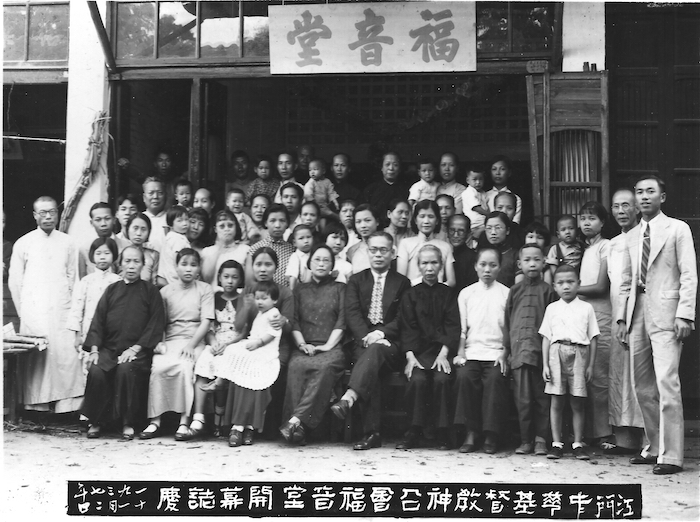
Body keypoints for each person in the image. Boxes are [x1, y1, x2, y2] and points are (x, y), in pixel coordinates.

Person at [616, 175, 697, 475]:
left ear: (662, 197)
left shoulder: (677, 229)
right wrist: (622, 319)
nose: (644, 197)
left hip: (666, 311)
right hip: (637, 312)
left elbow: (689, 274)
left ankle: (672, 456)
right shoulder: (632, 235)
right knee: (642, 385)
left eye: (651, 191)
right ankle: (653, 447)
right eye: (639, 192)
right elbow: (626, 281)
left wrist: (685, 314)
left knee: (666, 381)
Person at [331, 232, 411, 450]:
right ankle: (371, 433)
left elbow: (402, 317)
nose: (378, 254)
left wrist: (381, 334)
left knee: (373, 356)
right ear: (367, 252)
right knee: (370, 362)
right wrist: (367, 337)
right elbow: (352, 313)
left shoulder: (402, 283)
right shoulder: (357, 280)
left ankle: (350, 398)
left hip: (390, 344)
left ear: (393, 253)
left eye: (383, 250)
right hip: (361, 342)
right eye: (373, 250)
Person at [80, 245, 165, 439]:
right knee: (97, 369)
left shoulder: (151, 291)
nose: (132, 266)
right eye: (127, 261)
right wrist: (94, 349)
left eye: (136, 261)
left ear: (143, 265)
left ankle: (127, 422)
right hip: (109, 349)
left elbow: (155, 325)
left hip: (138, 351)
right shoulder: (111, 290)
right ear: (120, 264)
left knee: (126, 369)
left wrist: (135, 349)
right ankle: (96, 421)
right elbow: (98, 320)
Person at [9, 196, 82, 413]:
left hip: (62, 308)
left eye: (52, 212)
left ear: (58, 214)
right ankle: (37, 406)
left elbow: (74, 278)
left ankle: (66, 407)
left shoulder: (68, 243)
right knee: (39, 359)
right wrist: (26, 312)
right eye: (43, 213)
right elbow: (16, 282)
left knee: (64, 355)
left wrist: (72, 312)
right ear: (34, 215)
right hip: (35, 311)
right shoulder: (24, 243)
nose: (48, 217)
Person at [140, 249, 215, 441]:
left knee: (184, 367)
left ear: (198, 268)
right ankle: (155, 420)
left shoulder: (205, 289)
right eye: (184, 264)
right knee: (158, 367)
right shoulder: (165, 292)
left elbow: (206, 321)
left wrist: (191, 345)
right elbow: (160, 321)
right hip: (171, 339)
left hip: (194, 339)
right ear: (176, 267)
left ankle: (184, 420)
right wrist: (161, 342)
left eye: (193, 264)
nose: (188, 269)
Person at [281, 245, 347, 444]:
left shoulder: (340, 288)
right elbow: (294, 320)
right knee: (296, 366)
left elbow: (342, 320)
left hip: (332, 347)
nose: (321, 264)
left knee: (324, 367)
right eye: (317, 259)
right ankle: (299, 429)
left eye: (326, 260)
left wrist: (328, 346)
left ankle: (295, 421)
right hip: (304, 345)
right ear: (309, 264)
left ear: (332, 266)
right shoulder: (299, 289)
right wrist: (302, 345)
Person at [397, 245, 460, 450]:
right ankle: (414, 430)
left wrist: (443, 354)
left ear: (441, 265)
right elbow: (407, 327)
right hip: (417, 352)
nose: (430, 268)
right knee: (417, 379)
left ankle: (442, 431)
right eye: (425, 263)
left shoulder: (449, 294)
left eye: (434, 262)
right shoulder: (410, 294)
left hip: (442, 351)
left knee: (442, 379)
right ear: (418, 266)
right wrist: (410, 357)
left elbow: (452, 326)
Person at [231, 247, 295, 440]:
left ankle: (252, 426)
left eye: (268, 264)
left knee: (259, 370)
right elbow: (239, 325)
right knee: (241, 365)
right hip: (252, 342)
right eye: (258, 264)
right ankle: (240, 424)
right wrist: (247, 307)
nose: (263, 269)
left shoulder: (284, 292)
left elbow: (290, 328)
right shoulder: (249, 291)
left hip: (276, 346)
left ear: (276, 267)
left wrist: (284, 321)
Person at [452, 247, 510, 454]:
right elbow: (462, 327)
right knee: (465, 377)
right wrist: (461, 353)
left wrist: (505, 352)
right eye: (483, 265)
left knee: (495, 379)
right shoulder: (466, 293)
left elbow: (508, 328)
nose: (487, 269)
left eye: (492, 265)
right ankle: (471, 432)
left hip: (496, 352)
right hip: (472, 350)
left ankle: (491, 435)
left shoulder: (506, 293)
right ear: (475, 266)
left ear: (499, 268)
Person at [541, 264, 600, 460]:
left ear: (578, 284)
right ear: (555, 286)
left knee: (577, 401)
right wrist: (545, 365)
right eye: (561, 283)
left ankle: (577, 443)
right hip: (556, 353)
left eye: (570, 282)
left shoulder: (586, 308)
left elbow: (593, 338)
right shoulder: (552, 308)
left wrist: (590, 365)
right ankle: (557, 443)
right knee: (556, 400)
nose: (566, 286)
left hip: (579, 353)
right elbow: (546, 338)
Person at [215, 280, 283, 447]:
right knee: (232, 351)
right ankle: (221, 379)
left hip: (266, 351)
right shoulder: (260, 313)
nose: (259, 302)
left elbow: (272, 334)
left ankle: (246, 427)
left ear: (274, 300)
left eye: (264, 298)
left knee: (251, 369)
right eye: (257, 298)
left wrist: (259, 343)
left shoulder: (274, 314)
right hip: (255, 346)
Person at [505, 243, 558, 456]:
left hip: (541, 354)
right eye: (527, 260)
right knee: (523, 399)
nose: (532, 264)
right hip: (519, 354)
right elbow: (508, 321)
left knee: (542, 399)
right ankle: (525, 439)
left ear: (544, 262)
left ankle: (541, 439)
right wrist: (507, 350)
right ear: (519, 264)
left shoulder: (548, 292)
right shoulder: (514, 291)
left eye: (537, 259)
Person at [606, 189, 645, 453]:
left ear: (637, 209)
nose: (621, 211)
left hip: (640, 314)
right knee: (619, 375)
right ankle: (624, 440)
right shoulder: (611, 244)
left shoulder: (645, 238)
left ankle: (646, 441)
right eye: (616, 206)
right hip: (616, 315)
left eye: (626, 206)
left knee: (641, 377)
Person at [576, 201, 614, 449]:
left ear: (602, 222)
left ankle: (604, 433)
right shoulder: (581, 249)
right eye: (583, 218)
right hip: (581, 315)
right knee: (582, 375)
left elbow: (601, 287)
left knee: (600, 375)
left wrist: (566, 290)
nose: (586, 223)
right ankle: (586, 433)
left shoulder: (606, 247)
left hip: (601, 315)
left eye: (592, 218)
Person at [194, 260, 247, 437]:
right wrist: (213, 342)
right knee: (204, 360)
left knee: (227, 366)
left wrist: (229, 345)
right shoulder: (214, 297)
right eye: (226, 277)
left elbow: (244, 330)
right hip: (216, 341)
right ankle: (199, 416)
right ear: (219, 278)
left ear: (240, 279)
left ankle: (222, 419)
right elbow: (209, 326)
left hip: (235, 344)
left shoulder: (244, 299)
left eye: (234, 277)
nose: (230, 281)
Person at [67, 238, 122, 377]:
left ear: (114, 255)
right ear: (92, 256)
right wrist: (77, 336)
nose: (102, 257)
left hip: (112, 333)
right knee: (89, 367)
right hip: (89, 331)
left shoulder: (118, 281)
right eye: (98, 253)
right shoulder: (86, 281)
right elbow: (77, 308)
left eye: (107, 253)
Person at [397, 200, 455, 287]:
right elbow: (401, 278)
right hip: (412, 293)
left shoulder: (446, 246)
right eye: (422, 216)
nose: (426, 221)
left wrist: (438, 288)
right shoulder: (406, 244)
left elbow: (451, 281)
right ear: (415, 220)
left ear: (437, 221)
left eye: (431, 216)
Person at [246, 204, 295, 288]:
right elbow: (250, 281)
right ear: (266, 223)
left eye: (282, 220)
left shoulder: (293, 251)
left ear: (287, 223)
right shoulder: (254, 249)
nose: (277, 225)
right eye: (272, 220)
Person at [200, 210, 250, 288]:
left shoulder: (245, 250)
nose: (226, 229)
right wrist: (219, 249)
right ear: (215, 229)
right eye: (222, 226)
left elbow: (248, 281)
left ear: (236, 227)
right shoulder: (207, 252)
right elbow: (207, 279)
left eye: (230, 225)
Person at [78, 202, 129, 277]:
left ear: (114, 220)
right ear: (91, 223)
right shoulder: (84, 250)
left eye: (107, 218)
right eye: (98, 220)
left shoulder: (127, 247)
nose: (103, 224)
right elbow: (83, 280)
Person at [362, 152, 409, 228]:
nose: (391, 168)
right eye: (387, 164)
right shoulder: (371, 189)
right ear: (382, 167)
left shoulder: (406, 189)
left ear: (400, 169)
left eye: (395, 165)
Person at [156, 205, 191, 287]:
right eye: (180, 221)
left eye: (186, 219)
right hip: (175, 277)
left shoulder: (170, 236)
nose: (185, 223)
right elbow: (177, 256)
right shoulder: (177, 238)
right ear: (171, 224)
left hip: (167, 277)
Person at [482, 212, 517, 287]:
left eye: (498, 228)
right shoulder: (480, 255)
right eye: (489, 228)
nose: (493, 232)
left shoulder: (515, 255)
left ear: (507, 230)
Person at [123, 213, 159, 285]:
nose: (139, 233)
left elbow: (154, 283)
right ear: (128, 229)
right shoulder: (120, 253)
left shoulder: (154, 255)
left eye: (143, 229)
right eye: (135, 228)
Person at [486, 155, 523, 224]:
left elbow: (515, 224)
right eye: (494, 169)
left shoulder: (515, 198)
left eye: (502, 169)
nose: (497, 173)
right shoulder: (484, 196)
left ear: (509, 173)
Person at [546, 215, 584, 281]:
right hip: (563, 279)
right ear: (558, 234)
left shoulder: (582, 246)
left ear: (577, 231)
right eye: (563, 230)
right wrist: (559, 279)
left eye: (571, 228)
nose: (567, 232)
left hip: (581, 278)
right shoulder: (555, 249)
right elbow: (552, 266)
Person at [346, 204, 380, 274]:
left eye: (367, 220)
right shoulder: (352, 251)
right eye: (358, 222)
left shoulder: (388, 247)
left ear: (377, 222)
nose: (363, 225)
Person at [447, 214, 478, 290]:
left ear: (468, 233)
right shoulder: (443, 253)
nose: (456, 235)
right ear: (447, 231)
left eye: (461, 231)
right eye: (452, 230)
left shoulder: (473, 258)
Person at [142, 177, 168, 253]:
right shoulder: (138, 220)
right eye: (151, 193)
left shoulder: (172, 219)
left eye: (160, 193)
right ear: (144, 197)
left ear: (166, 196)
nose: (155, 197)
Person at [461, 169, 489, 238]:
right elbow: (476, 207)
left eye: (481, 179)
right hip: (473, 224)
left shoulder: (483, 193)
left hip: (482, 223)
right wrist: (489, 214)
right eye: (474, 179)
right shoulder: (468, 192)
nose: (478, 182)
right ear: (468, 180)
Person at [285, 224, 315, 290]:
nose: (306, 241)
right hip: (300, 289)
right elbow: (293, 277)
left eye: (308, 237)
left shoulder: (315, 254)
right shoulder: (295, 257)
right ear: (294, 243)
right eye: (301, 238)